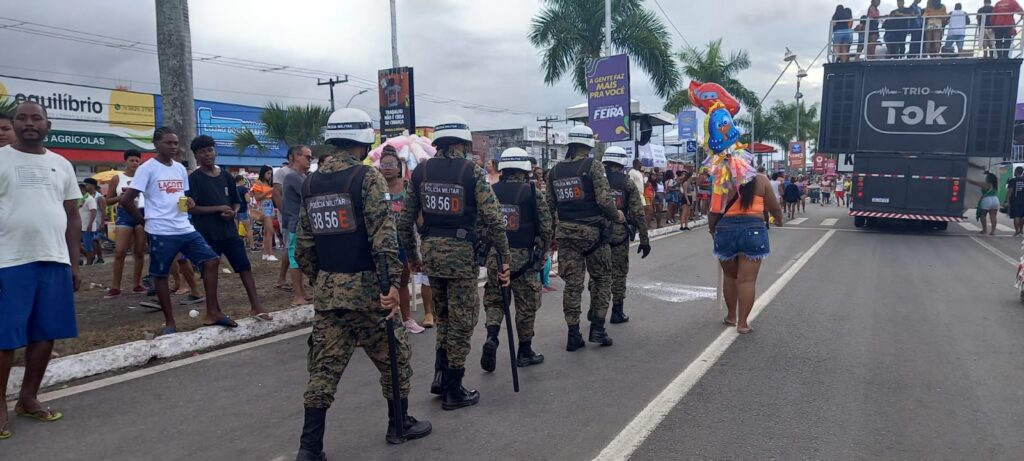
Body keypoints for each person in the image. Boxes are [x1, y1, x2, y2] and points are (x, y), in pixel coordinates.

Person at [293, 108, 431, 460]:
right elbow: (382, 238)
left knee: (324, 368)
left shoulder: (310, 183)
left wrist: (322, 282)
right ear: (362, 139)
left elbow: (305, 245)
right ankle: (398, 425)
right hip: (370, 292)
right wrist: (388, 287)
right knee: (394, 356)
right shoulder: (366, 178)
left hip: (329, 293)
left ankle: (310, 449)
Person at [398, 115, 511, 410]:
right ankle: (454, 389)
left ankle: (440, 376)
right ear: (463, 143)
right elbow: (494, 219)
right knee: (463, 320)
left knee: (445, 317)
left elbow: (404, 222)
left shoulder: (421, 172)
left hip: (432, 255)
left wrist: (413, 258)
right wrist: (504, 258)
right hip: (461, 257)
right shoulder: (471, 172)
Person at [0, 101, 83, 441]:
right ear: (14, 124)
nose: (29, 123)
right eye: (22, 117)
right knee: (5, 338)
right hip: (9, 261)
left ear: (48, 125)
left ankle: (27, 397)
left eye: (36, 118)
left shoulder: (61, 164)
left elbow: (73, 215)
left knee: (45, 333)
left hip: (54, 259)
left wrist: (74, 262)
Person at [119, 127, 236, 334]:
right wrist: (144, 221)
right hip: (160, 230)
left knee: (211, 260)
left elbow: (181, 199)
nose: (173, 147)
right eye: (168, 143)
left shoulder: (180, 169)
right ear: (156, 144)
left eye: (175, 143)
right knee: (161, 274)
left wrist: (188, 203)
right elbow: (127, 200)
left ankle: (213, 313)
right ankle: (170, 322)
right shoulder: (147, 168)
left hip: (184, 227)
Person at [546, 124, 624, 351]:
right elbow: (603, 199)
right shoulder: (593, 166)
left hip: (566, 236)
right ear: (588, 146)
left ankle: (573, 334)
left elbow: (549, 207)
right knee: (601, 280)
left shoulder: (555, 171)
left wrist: (552, 235)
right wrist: (616, 215)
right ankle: (598, 328)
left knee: (572, 285)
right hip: (594, 236)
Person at [480, 148, 553, 372]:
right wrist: (542, 254)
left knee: (495, 301)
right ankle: (524, 351)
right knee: (526, 306)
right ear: (524, 170)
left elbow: (481, 226)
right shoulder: (532, 192)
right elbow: (546, 226)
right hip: (524, 261)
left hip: (496, 258)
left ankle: (492, 336)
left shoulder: (490, 191)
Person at [187, 135, 272, 321]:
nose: (207, 155)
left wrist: (232, 212)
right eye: (202, 152)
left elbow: (235, 202)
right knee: (210, 273)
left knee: (244, 267)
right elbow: (192, 208)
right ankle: (214, 310)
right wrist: (218, 208)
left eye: (209, 150)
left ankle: (255, 306)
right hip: (207, 234)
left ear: (215, 151)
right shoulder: (194, 179)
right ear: (196, 156)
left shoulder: (226, 176)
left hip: (229, 232)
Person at [710, 173, 784, 335]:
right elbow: (774, 207)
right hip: (754, 229)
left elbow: (714, 210)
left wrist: (712, 230)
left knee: (730, 276)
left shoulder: (722, 179)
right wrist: (778, 220)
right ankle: (742, 324)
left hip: (725, 229)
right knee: (747, 281)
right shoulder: (762, 179)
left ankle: (731, 316)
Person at [600, 146, 651, 325]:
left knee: (599, 275)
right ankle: (617, 311)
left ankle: (595, 311)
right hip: (619, 236)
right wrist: (644, 239)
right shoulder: (627, 183)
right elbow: (638, 213)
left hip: (598, 237)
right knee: (619, 273)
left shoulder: (597, 182)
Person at [378, 146, 425, 334]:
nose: (387, 168)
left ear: (399, 168)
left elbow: (418, 215)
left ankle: (407, 320)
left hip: (403, 243)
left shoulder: (407, 188)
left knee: (403, 281)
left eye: (391, 164)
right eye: (384, 164)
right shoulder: (373, 187)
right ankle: (379, 323)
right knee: (379, 284)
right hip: (379, 244)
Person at [105, 150, 148, 298]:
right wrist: (120, 198)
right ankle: (115, 286)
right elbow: (107, 200)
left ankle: (137, 284)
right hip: (124, 215)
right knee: (119, 251)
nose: (135, 163)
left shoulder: (144, 177)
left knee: (139, 251)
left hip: (141, 214)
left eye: (137, 160)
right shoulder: (118, 178)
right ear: (126, 162)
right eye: (132, 160)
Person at [280, 145, 313, 307]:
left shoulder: (300, 176)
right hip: (295, 224)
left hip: (300, 223)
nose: (310, 160)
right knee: (295, 260)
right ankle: (298, 295)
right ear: (297, 157)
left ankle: (302, 292)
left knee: (299, 259)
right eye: (307, 157)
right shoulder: (293, 177)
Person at [251, 165, 279, 260]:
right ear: (263, 173)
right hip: (264, 206)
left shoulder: (267, 183)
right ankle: (270, 254)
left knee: (267, 231)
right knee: (269, 231)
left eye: (271, 174)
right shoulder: (258, 183)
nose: (270, 176)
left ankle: (266, 253)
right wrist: (269, 191)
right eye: (268, 173)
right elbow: (257, 197)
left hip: (269, 205)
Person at [79, 179, 100, 265]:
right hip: (81, 226)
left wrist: (90, 224)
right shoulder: (81, 199)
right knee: (77, 244)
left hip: (87, 226)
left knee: (88, 245)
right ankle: (90, 257)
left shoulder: (90, 199)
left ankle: (89, 261)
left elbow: (94, 212)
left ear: (83, 189)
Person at [235, 175, 253, 250]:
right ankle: (252, 246)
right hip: (243, 211)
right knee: (248, 229)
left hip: (235, 211)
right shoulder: (243, 189)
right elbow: (248, 200)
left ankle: (236, 246)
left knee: (235, 230)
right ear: (241, 180)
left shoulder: (233, 188)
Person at [1005, 166, 1024, 236]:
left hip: (1015, 201)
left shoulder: (1013, 180)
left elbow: (1010, 191)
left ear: (1016, 171)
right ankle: (1021, 230)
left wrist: (1006, 200)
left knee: (1016, 216)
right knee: (1022, 216)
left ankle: (1017, 230)